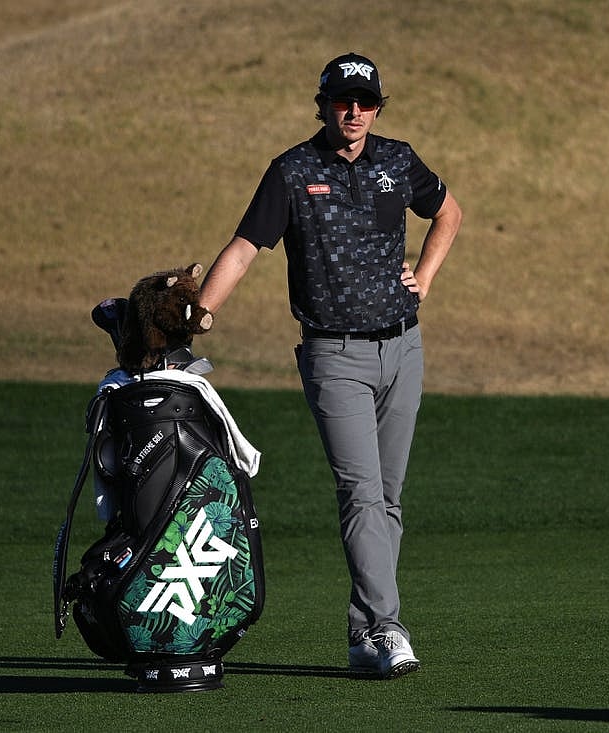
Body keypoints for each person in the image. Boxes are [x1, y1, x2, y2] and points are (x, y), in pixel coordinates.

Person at [198, 52, 462, 679]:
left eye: (365, 101)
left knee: (389, 498)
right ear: (322, 105)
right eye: (343, 100)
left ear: (376, 106)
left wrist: (423, 278)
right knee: (362, 493)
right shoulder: (291, 172)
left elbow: (448, 211)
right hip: (333, 354)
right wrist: (199, 314)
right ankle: (387, 626)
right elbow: (244, 248)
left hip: (403, 347)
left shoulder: (398, 161)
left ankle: (363, 635)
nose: (354, 111)